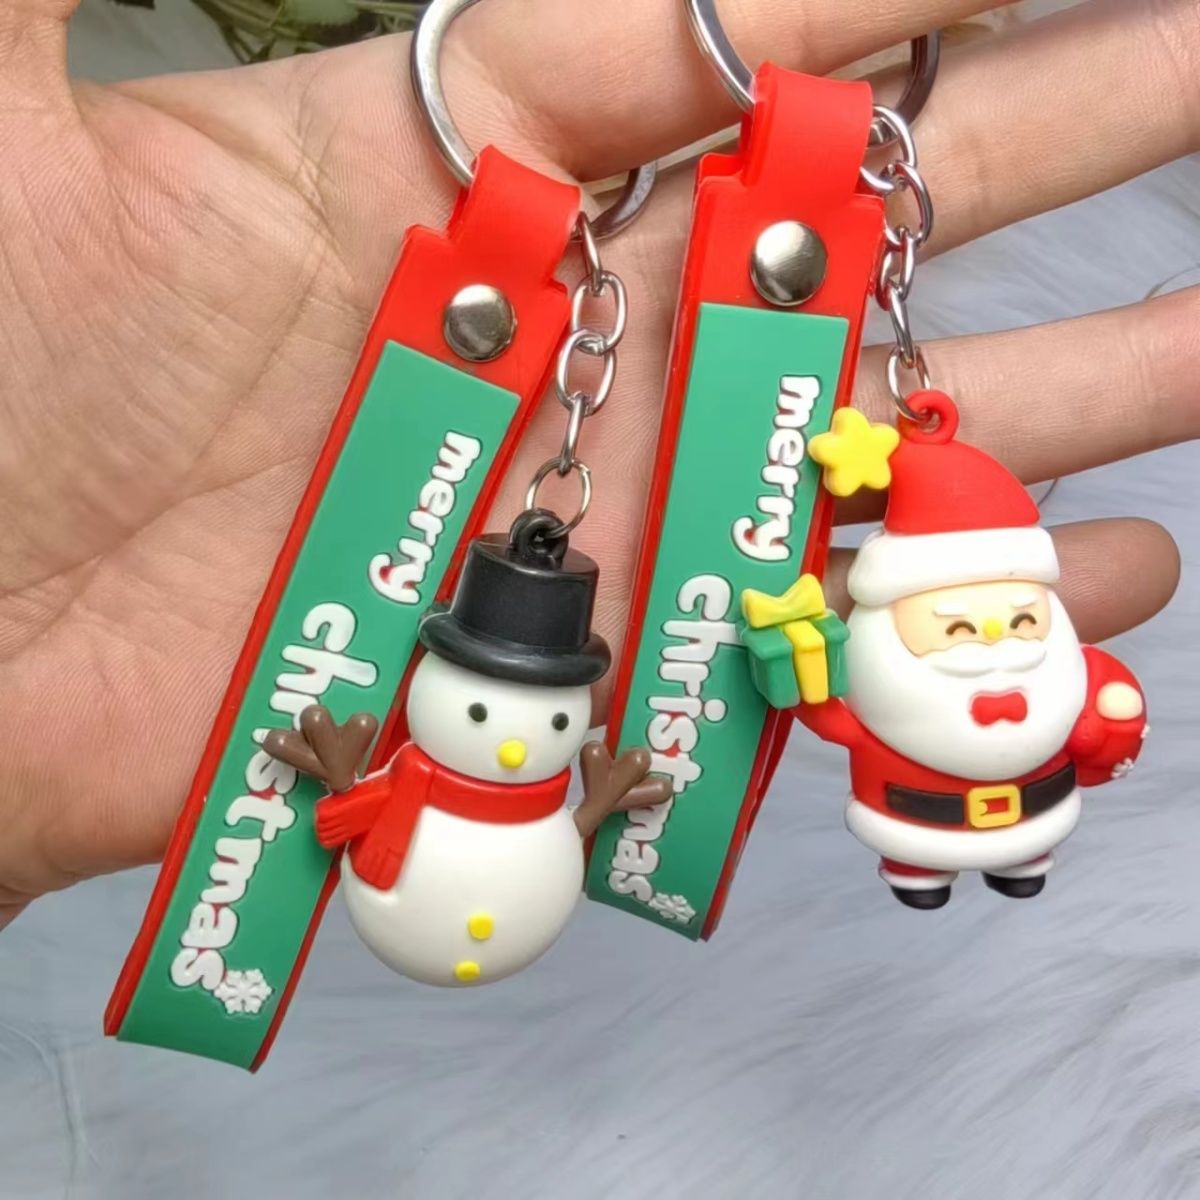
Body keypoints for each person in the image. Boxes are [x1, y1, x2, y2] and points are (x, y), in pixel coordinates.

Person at [0, 0, 1192, 927]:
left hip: (961, 800)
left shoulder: (984, 664)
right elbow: (826, 699)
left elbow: (844, 702)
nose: (520, 744)